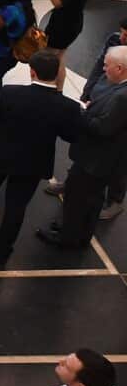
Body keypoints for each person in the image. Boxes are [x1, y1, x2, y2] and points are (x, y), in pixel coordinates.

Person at [0, 49, 82, 263]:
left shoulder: (9, 92)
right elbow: (71, 135)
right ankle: (2, 251)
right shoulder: (67, 106)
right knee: (16, 207)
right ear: (56, 74)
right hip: (32, 164)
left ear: (32, 72)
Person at [38, 47, 127, 250]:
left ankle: (67, 236)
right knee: (91, 200)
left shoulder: (122, 97)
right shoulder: (119, 90)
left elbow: (103, 128)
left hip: (96, 159)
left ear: (120, 68)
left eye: (107, 66)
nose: (103, 70)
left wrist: (81, 112)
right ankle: (80, 233)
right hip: (103, 159)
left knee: (77, 199)